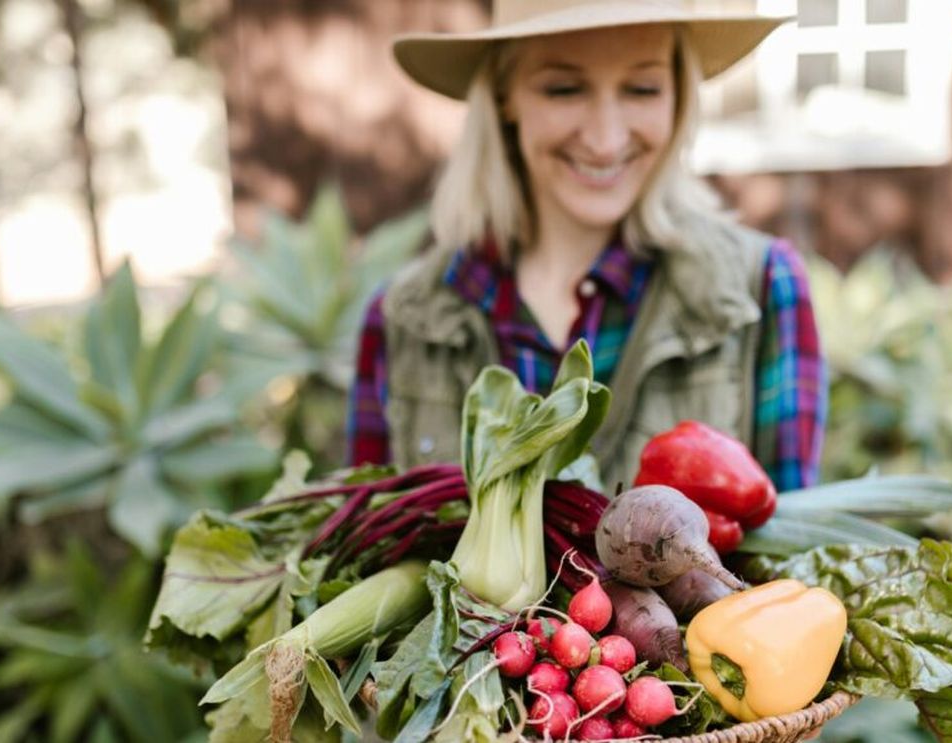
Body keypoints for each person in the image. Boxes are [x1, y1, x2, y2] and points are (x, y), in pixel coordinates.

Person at [347, 0, 826, 493]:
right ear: (505, 96)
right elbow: (363, 534)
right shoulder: (402, 319)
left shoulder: (761, 290)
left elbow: (788, 537)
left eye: (642, 89)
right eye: (564, 89)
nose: (605, 139)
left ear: (679, 97)